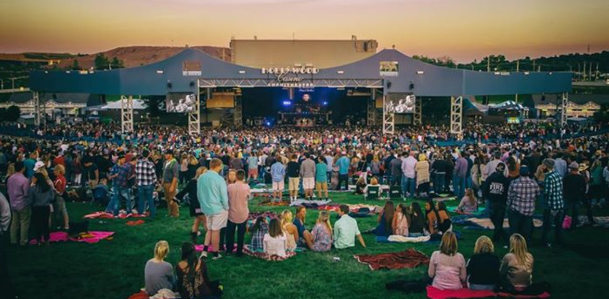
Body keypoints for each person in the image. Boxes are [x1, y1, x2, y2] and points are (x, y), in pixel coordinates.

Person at [197, 158, 229, 260]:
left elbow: (199, 193)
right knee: (215, 231)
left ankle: (204, 251)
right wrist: (226, 207)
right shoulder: (219, 179)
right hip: (218, 208)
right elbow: (223, 196)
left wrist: (203, 204)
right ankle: (215, 253)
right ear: (218, 166)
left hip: (206, 207)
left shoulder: (201, 177)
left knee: (210, 229)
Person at [506, 165, 540, 243]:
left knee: (514, 229)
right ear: (528, 173)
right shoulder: (534, 183)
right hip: (529, 210)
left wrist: (509, 207)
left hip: (516, 209)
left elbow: (509, 197)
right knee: (526, 230)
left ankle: (513, 244)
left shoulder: (514, 183)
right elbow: (538, 194)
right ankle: (525, 245)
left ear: (519, 173)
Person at [176, 166, 208, 244]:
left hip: (198, 205)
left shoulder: (196, 182)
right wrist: (175, 199)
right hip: (198, 206)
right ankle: (209, 237)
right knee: (206, 221)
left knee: (197, 221)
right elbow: (184, 191)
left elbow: (184, 191)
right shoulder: (196, 182)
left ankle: (193, 238)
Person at [540, 158, 565, 247]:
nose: (542, 167)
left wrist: (542, 190)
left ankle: (544, 241)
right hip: (560, 203)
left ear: (546, 166)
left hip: (552, 205)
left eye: (543, 165)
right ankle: (559, 240)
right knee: (559, 224)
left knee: (547, 224)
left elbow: (548, 193)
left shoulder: (549, 177)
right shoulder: (558, 175)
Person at [226, 169, 251, 257]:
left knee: (230, 233)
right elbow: (249, 197)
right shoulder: (246, 187)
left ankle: (229, 249)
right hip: (242, 212)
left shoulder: (230, 187)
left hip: (231, 212)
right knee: (241, 233)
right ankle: (239, 251)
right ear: (243, 177)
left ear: (236, 176)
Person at [483, 162, 509, 243]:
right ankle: (500, 236)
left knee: (494, 219)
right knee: (499, 220)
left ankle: (499, 236)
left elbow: (485, 188)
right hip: (501, 202)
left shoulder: (490, 178)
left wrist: (485, 197)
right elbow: (507, 192)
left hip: (491, 201)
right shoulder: (505, 180)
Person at [8, 162, 31, 246]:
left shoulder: (10, 178)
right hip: (22, 203)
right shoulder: (24, 180)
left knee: (14, 223)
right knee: (24, 222)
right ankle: (23, 241)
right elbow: (26, 193)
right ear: (23, 168)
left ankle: (13, 240)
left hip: (13, 203)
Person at [29, 172, 55, 246]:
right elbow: (52, 198)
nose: (32, 179)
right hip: (46, 207)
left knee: (37, 224)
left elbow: (30, 200)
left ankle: (38, 240)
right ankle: (47, 240)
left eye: (33, 178)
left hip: (36, 208)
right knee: (45, 224)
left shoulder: (33, 189)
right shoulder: (48, 188)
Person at [563, 162, 590, 228]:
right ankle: (573, 225)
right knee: (575, 212)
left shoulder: (567, 177)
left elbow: (563, 187)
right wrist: (581, 195)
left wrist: (564, 194)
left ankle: (561, 223)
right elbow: (584, 188)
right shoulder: (580, 178)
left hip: (568, 196)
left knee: (564, 210)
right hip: (577, 196)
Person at [136, 150, 157, 218]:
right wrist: (156, 184)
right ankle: (152, 214)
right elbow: (154, 175)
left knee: (141, 199)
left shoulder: (138, 163)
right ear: (148, 155)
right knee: (150, 199)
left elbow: (136, 173)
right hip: (149, 184)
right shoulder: (150, 164)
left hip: (140, 184)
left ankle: (140, 213)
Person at [163, 150, 180, 218]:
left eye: (166, 154)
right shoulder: (165, 162)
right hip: (165, 183)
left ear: (170, 154)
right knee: (167, 199)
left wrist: (173, 186)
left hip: (171, 183)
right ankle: (170, 213)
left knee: (172, 198)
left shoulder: (174, 163)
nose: (165, 155)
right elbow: (163, 173)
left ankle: (175, 213)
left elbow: (175, 176)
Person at [52, 164, 69, 230]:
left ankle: (60, 225)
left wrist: (53, 190)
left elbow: (59, 190)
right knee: (64, 210)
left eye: (55, 170)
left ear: (58, 171)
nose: (54, 172)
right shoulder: (63, 178)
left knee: (59, 211)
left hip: (58, 197)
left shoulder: (58, 179)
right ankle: (66, 224)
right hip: (62, 196)